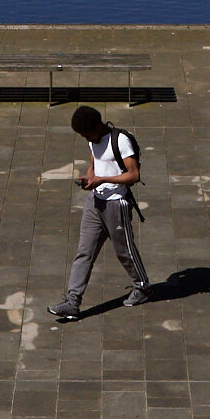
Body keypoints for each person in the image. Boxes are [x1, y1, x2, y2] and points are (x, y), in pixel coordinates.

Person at [49, 106, 148, 323]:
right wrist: (90, 177)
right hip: (95, 202)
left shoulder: (120, 141)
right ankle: (72, 302)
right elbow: (94, 161)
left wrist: (102, 180)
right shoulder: (92, 139)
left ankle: (141, 286)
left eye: (87, 134)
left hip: (116, 204)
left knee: (124, 250)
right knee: (84, 252)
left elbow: (133, 175)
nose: (86, 138)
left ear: (97, 127)